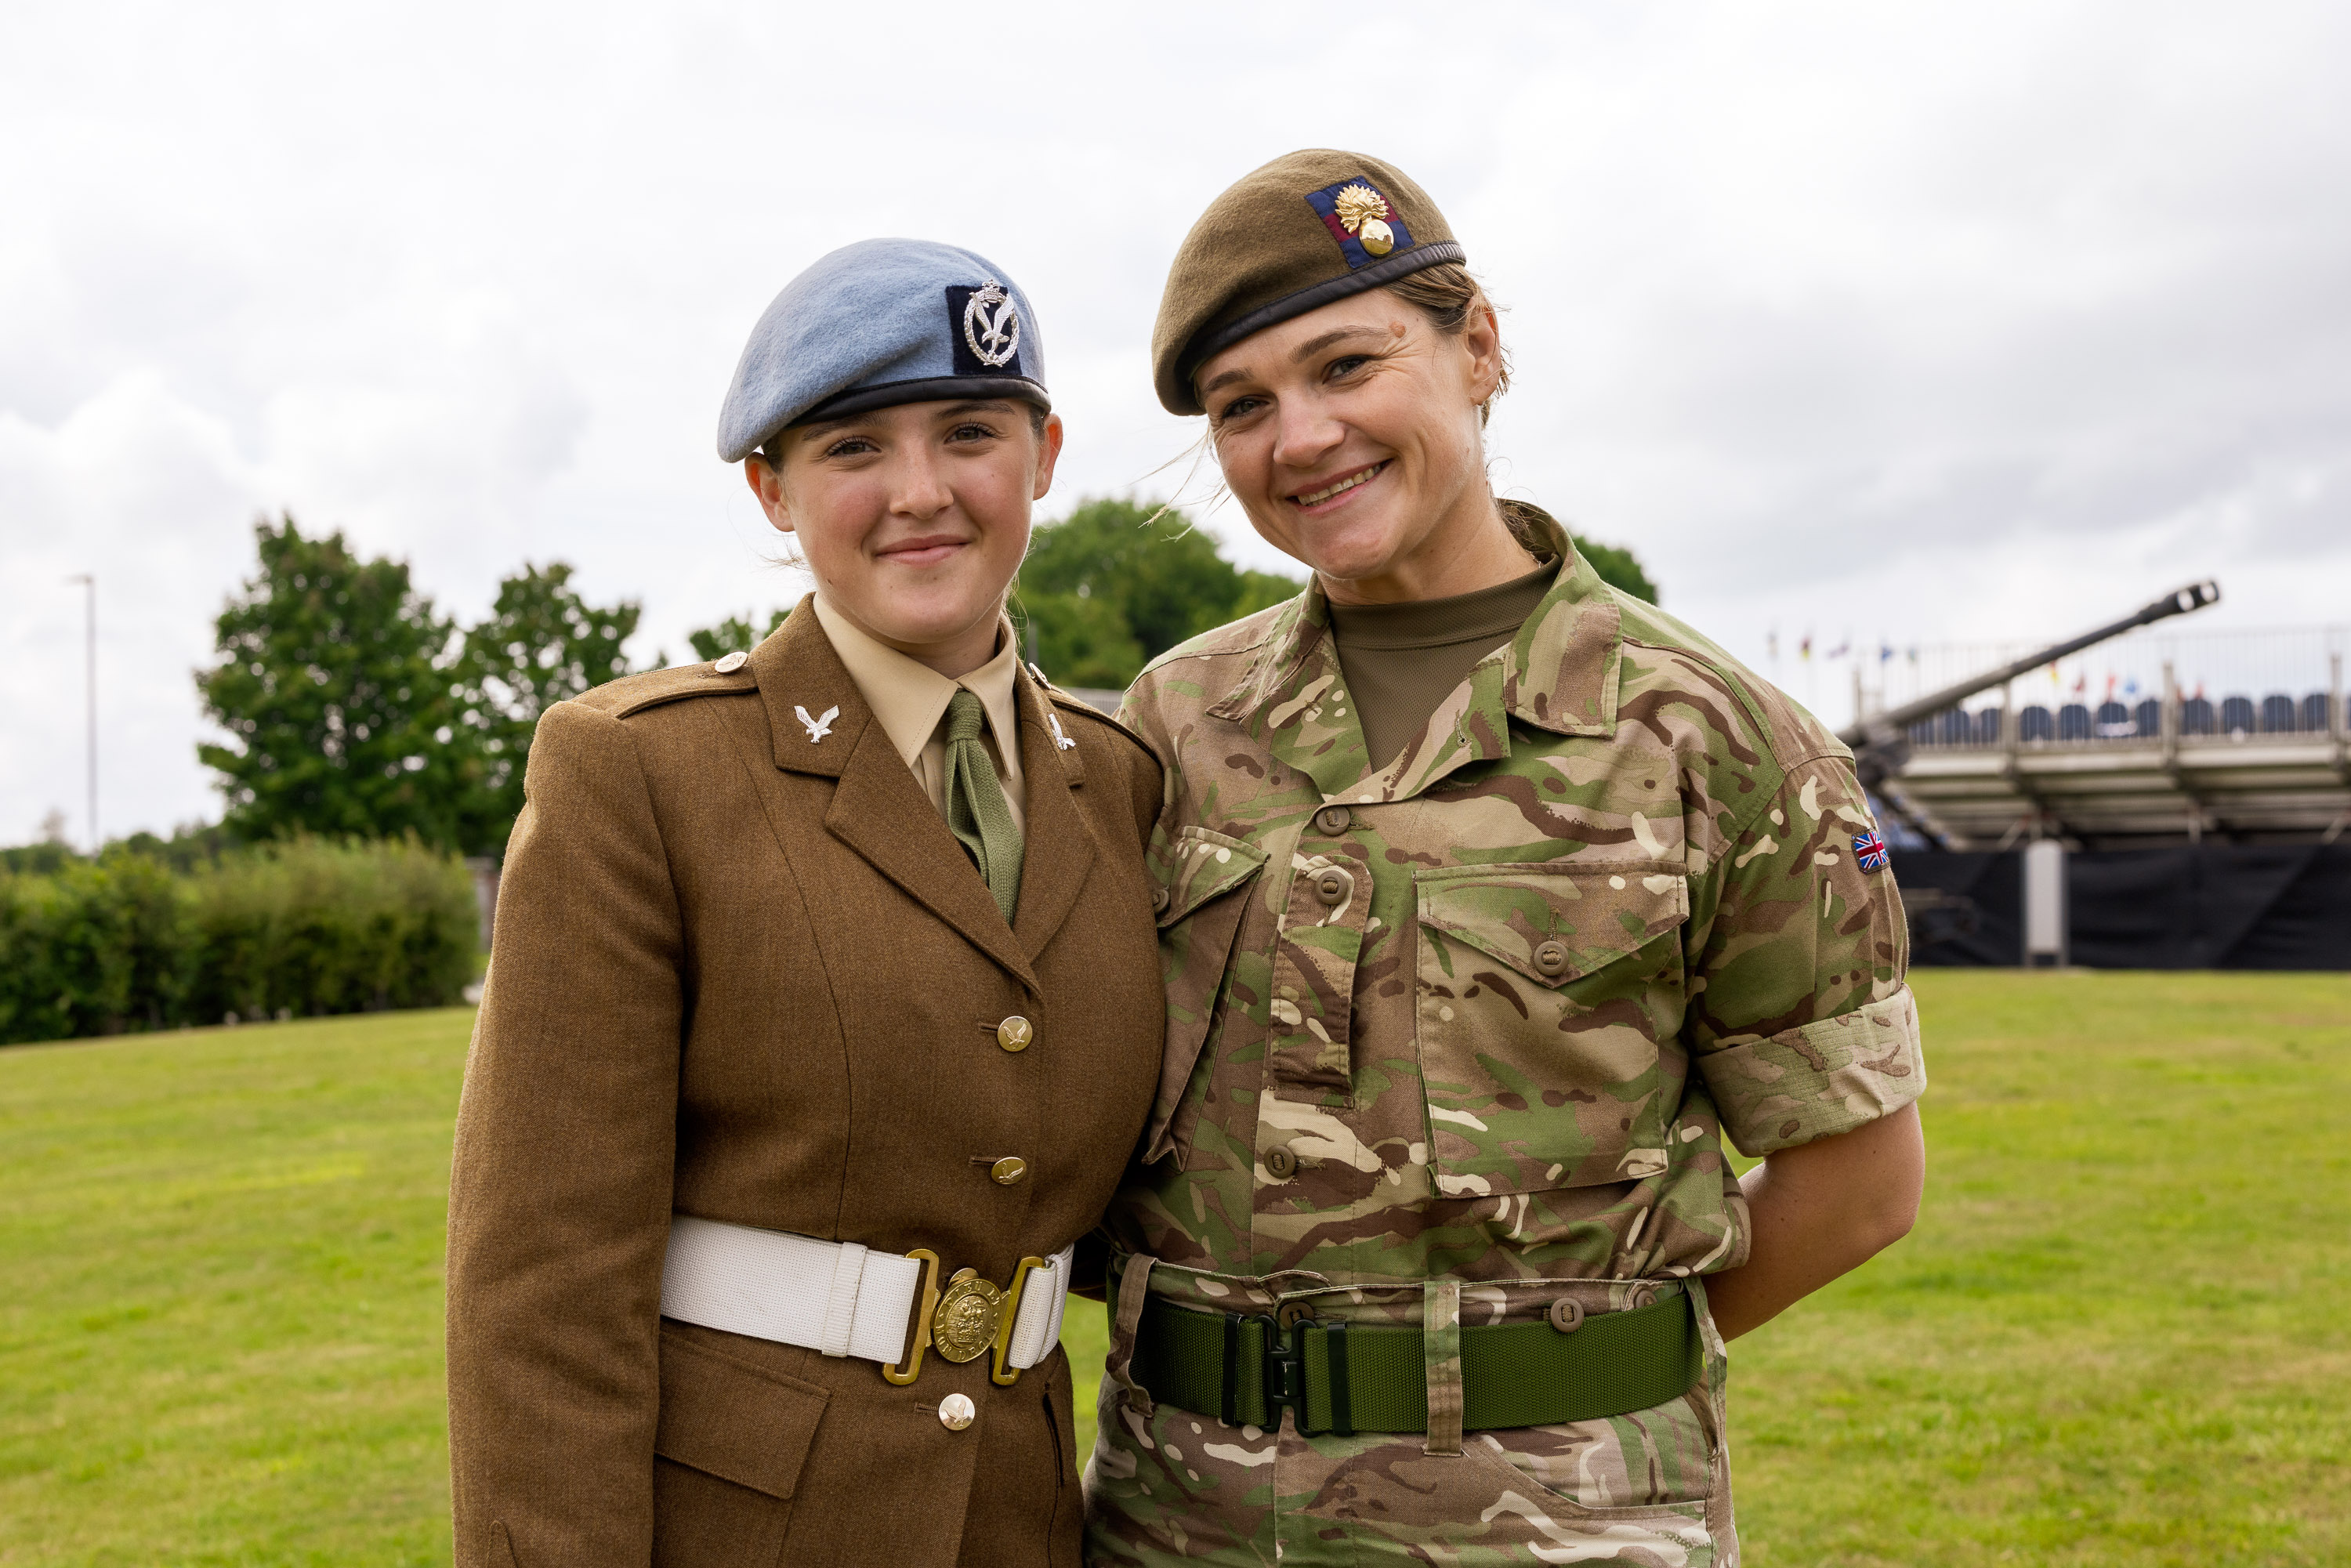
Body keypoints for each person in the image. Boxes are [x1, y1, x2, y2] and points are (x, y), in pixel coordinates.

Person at [1084, 150, 1927, 1566]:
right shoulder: (1178, 721)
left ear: (1478, 345)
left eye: (1347, 364)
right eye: (1243, 408)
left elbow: (1860, 1180)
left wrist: (1543, 1382)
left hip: (1555, 1527)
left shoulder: (1707, 735)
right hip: (1183, 1518)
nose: (1300, 438)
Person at [445, 238, 1166, 1568]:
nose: (921, 493)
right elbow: (541, 1290)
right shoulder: (643, 771)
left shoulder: (1117, 785)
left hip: (1023, 1520)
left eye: (968, 433)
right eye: (852, 450)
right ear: (773, 490)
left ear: (1046, 454)